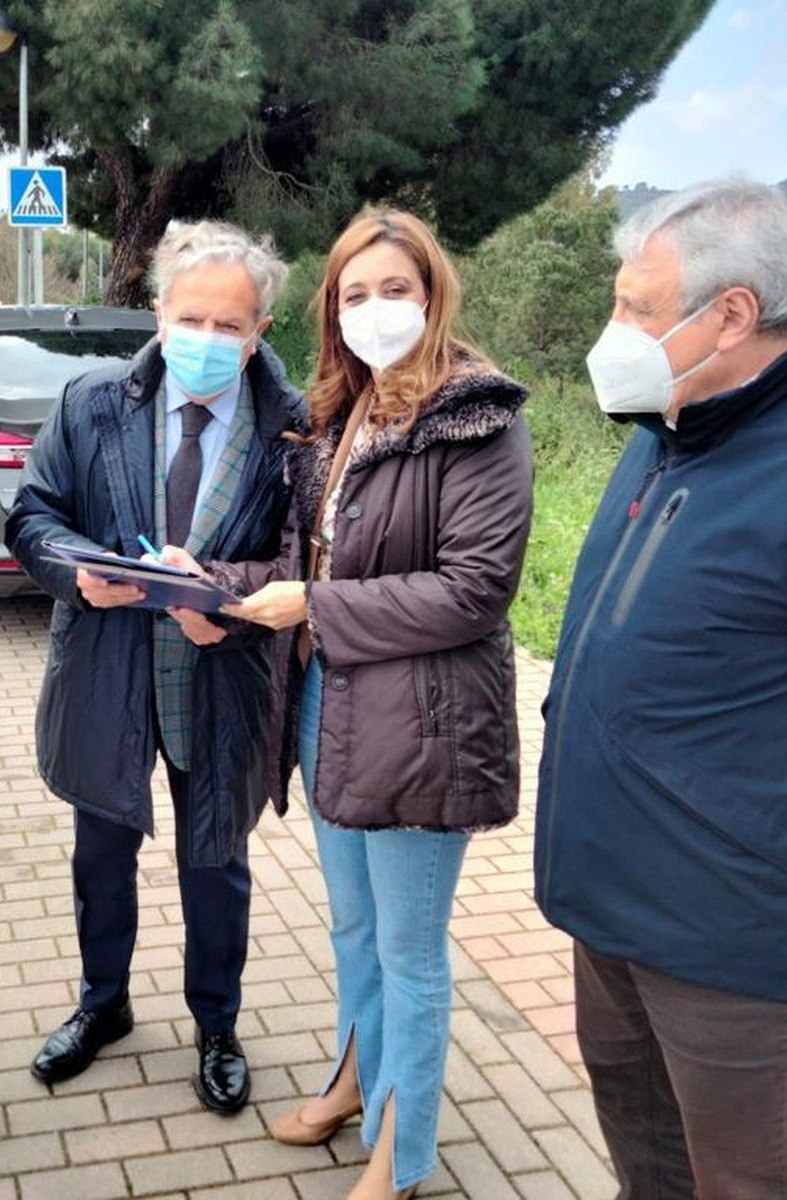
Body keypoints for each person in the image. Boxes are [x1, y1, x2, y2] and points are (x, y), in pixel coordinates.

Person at [534, 179, 787, 1199]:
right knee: (647, 1168)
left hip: (738, 946)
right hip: (609, 906)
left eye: (634, 308)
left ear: (734, 315)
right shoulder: (662, 431)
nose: (612, 330)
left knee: (752, 1184)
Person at [186, 208, 533, 1199]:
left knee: (408, 951)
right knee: (350, 929)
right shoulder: (342, 415)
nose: (375, 309)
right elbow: (311, 564)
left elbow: (474, 590)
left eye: (397, 289)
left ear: (433, 298)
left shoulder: (477, 418)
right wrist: (205, 580)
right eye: (354, 293)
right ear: (333, 310)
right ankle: (352, 1080)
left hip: (423, 728)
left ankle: (402, 1153)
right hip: (329, 709)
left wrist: (316, 605)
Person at [5, 221, 302, 1113]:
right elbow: (32, 516)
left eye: (230, 325)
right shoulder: (93, 402)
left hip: (220, 683)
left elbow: (307, 562)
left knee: (216, 862)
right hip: (108, 671)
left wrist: (236, 614)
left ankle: (217, 1023)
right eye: (190, 317)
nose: (207, 339)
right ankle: (103, 1006)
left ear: (258, 333)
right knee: (101, 853)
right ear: (159, 313)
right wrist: (73, 570)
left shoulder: (294, 429)